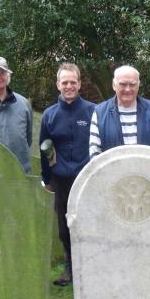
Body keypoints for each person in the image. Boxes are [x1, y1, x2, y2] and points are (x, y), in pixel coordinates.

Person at [40, 63, 95, 286]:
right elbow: (44, 148)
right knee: (65, 228)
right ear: (58, 85)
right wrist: (47, 178)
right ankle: (70, 269)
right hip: (61, 180)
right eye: (65, 82)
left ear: (79, 84)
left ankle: (91, 268)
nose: (69, 86)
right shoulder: (50, 115)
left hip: (88, 180)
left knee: (89, 224)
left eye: (73, 82)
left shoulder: (93, 111)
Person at [89, 65, 150, 157]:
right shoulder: (99, 113)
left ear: (138, 85)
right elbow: (95, 153)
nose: (128, 89)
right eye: (123, 84)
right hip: (113, 171)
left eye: (132, 84)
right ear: (114, 85)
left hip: (146, 171)